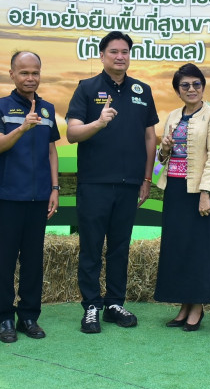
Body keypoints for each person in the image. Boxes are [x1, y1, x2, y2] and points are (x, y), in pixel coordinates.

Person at [66, 31, 158, 333]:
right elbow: (72, 133)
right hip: (94, 182)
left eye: (125, 52)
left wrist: (147, 178)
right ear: (102, 55)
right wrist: (99, 122)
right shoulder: (87, 88)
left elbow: (150, 137)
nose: (120, 57)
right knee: (91, 247)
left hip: (130, 183)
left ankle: (115, 303)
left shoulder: (142, 90)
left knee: (120, 247)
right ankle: (91, 306)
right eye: (114, 51)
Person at [0, 51, 60, 343]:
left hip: (39, 197)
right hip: (8, 198)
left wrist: (54, 188)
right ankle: (5, 318)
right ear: (12, 74)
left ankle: (29, 316)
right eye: (24, 73)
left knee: (33, 261)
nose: (30, 78)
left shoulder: (47, 110)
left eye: (35, 73)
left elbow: (51, 150)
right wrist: (22, 127)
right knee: (5, 261)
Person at [154, 63, 210, 332]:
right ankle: (184, 305)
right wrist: (165, 148)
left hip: (198, 193)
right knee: (178, 248)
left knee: (198, 250)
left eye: (196, 84)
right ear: (177, 90)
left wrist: (206, 193)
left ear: (203, 87)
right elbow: (162, 158)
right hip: (174, 189)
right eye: (185, 85)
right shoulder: (173, 115)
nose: (191, 89)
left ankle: (198, 307)